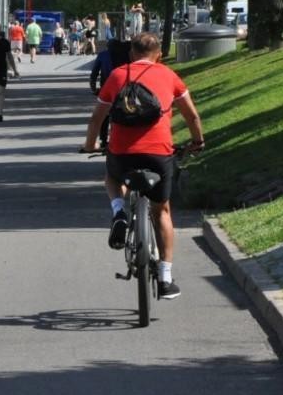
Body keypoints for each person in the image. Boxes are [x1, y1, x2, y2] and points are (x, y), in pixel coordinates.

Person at [80, 32, 205, 300]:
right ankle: (165, 278)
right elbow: (192, 116)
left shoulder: (116, 76)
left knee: (113, 178)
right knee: (162, 211)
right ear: (159, 54)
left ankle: (119, 213)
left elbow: (96, 119)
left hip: (122, 152)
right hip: (159, 154)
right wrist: (197, 141)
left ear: (130, 54)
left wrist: (90, 145)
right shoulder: (169, 76)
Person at [88, 38, 130, 147]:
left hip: (105, 87)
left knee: (104, 114)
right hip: (123, 87)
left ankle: (103, 139)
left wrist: (93, 88)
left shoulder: (102, 55)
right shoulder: (125, 55)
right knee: (122, 111)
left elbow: (94, 74)